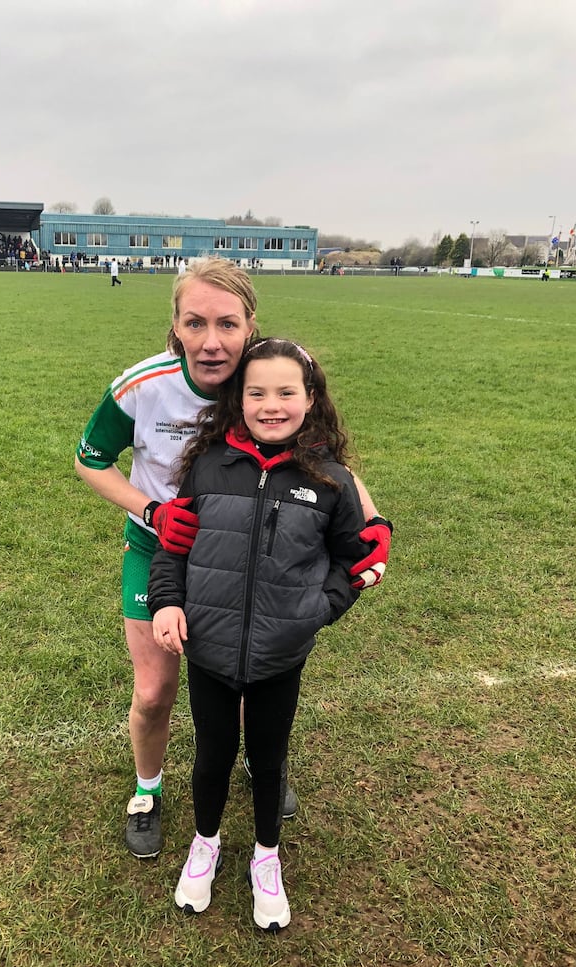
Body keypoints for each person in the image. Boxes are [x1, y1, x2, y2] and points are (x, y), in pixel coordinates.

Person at [74, 258, 392, 860]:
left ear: (250, 326)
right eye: (195, 323)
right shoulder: (142, 385)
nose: (211, 341)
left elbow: (321, 452)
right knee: (153, 691)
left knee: (250, 669)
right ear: (174, 326)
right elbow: (88, 461)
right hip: (162, 550)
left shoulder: (266, 377)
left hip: (246, 556)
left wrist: (372, 522)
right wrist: (152, 511)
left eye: (227, 324)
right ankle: (147, 790)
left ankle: (260, 764)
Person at [148, 337, 369, 930]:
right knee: (213, 755)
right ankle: (206, 844)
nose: (271, 404)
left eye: (286, 392)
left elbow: (356, 559)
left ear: (311, 397)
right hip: (210, 649)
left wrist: (316, 610)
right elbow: (175, 546)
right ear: (237, 400)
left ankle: (266, 857)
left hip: (280, 655)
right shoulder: (208, 464)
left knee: (269, 759)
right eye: (256, 392)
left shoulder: (330, 480)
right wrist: (168, 603)